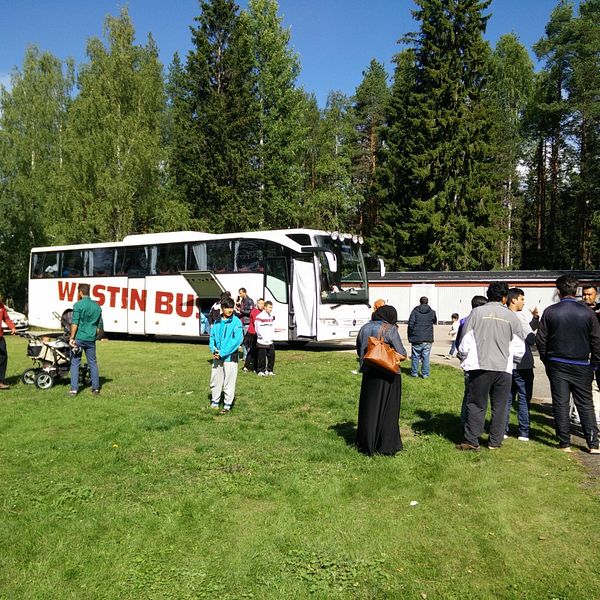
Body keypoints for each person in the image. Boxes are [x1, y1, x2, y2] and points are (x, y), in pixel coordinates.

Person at [457, 282, 525, 451]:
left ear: (488, 295)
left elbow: (465, 341)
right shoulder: (511, 317)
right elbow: (519, 347)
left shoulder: (476, 313)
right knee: (500, 406)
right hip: (504, 368)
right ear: (505, 297)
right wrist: (513, 361)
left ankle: (472, 440)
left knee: (476, 404)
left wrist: (463, 358)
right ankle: (495, 442)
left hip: (479, 366)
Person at [536, 275, 600, 453]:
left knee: (561, 403)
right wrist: (594, 363)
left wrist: (546, 359)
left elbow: (541, 340)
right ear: (577, 291)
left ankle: (564, 443)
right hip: (581, 362)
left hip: (557, 362)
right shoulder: (588, 313)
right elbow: (596, 341)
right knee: (585, 403)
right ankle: (593, 444)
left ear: (558, 291)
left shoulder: (550, 311)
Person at [356, 305, 407, 456]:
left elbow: (359, 350)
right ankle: (385, 446)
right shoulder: (390, 328)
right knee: (388, 411)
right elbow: (402, 352)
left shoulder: (364, 327)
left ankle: (366, 444)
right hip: (388, 374)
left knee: (369, 409)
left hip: (369, 373)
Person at [503, 288, 539, 441]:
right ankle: (523, 432)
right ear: (514, 300)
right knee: (523, 398)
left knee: (507, 398)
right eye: (522, 299)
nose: (524, 303)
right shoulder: (519, 316)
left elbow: (521, 331)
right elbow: (529, 338)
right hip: (523, 364)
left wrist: (535, 320)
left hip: (505, 363)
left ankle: (503, 429)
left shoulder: (502, 315)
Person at [456, 295, 488, 426]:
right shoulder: (482, 321)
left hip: (468, 362)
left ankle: (465, 421)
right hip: (480, 361)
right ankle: (473, 423)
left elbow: (459, 342)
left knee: (468, 394)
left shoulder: (464, 321)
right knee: (480, 396)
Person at [209, 297, 243, 413]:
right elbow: (212, 337)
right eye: (227, 307)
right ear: (222, 308)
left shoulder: (237, 322)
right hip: (217, 356)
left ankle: (227, 405)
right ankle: (215, 402)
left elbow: (237, 340)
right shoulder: (217, 321)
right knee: (215, 380)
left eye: (231, 307)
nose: (229, 310)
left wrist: (222, 352)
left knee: (229, 381)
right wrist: (213, 350)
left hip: (230, 357)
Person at [69, 283, 103, 396]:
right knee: (92, 363)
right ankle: (96, 388)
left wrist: (72, 337)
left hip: (79, 338)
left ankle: (74, 389)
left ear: (80, 292)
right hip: (90, 339)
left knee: (75, 363)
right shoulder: (97, 306)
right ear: (89, 292)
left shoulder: (78, 305)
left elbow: (75, 323)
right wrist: (94, 334)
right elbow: (99, 326)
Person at [581, 284, 600, 424]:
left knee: (596, 386)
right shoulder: (579, 310)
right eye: (585, 294)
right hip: (581, 354)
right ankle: (578, 413)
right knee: (582, 386)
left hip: (597, 354)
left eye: (589, 294)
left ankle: (597, 413)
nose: (586, 297)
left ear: (596, 295)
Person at [407, 296, 437, 378]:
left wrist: (411, 335)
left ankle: (414, 373)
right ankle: (425, 374)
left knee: (415, 356)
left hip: (417, 337)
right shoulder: (432, 312)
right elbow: (434, 321)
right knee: (426, 357)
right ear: (427, 302)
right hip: (428, 338)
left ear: (420, 302)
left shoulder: (415, 312)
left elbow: (410, 324)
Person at [0, 294, 17, 389]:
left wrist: (12, 327)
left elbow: (6, 318)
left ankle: (1, 381)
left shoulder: (1, 306)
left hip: (0, 337)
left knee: (3, 357)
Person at [243, 298, 264, 372]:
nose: (262, 305)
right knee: (254, 350)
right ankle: (252, 367)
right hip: (252, 334)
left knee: (253, 351)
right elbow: (257, 323)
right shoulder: (255, 312)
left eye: (263, 304)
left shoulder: (261, 312)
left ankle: (248, 366)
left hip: (257, 333)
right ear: (257, 304)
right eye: (260, 303)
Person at [255, 301, 275, 376]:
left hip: (270, 340)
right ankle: (261, 370)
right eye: (270, 307)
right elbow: (257, 328)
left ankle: (270, 370)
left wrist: (272, 336)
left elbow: (271, 327)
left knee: (271, 356)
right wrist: (262, 336)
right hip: (262, 340)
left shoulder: (270, 316)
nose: (271, 309)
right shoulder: (260, 316)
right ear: (265, 307)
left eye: (271, 307)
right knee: (262, 356)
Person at [235, 288, 254, 360]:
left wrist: (241, 310)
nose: (240, 295)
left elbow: (250, 312)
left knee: (247, 341)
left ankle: (249, 356)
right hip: (241, 322)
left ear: (245, 292)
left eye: (241, 293)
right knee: (242, 340)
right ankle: (245, 356)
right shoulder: (242, 300)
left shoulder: (249, 300)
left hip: (247, 323)